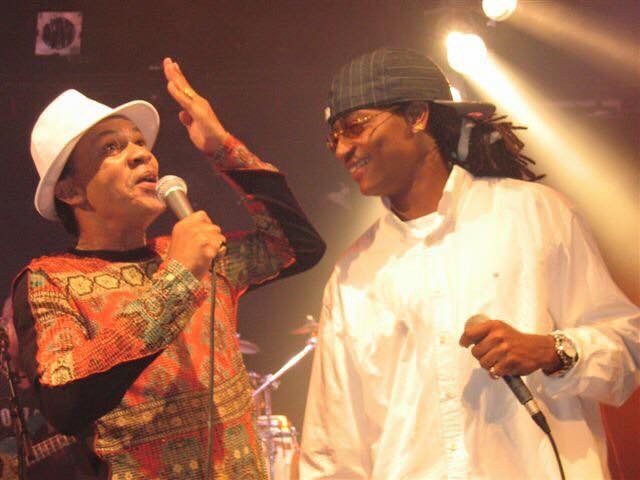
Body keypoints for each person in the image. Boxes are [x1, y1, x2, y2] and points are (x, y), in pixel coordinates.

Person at [300, 47, 639, 479]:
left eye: (355, 127)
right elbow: (332, 448)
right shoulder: (352, 276)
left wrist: (551, 350)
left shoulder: (535, 214)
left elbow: (627, 347)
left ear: (417, 116)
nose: (343, 149)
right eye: (334, 138)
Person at [12, 57, 325, 479]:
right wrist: (177, 279)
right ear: (69, 190)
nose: (141, 154)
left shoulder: (194, 255)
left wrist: (222, 147)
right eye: (111, 148)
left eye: (139, 142)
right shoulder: (50, 281)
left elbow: (296, 245)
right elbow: (65, 401)